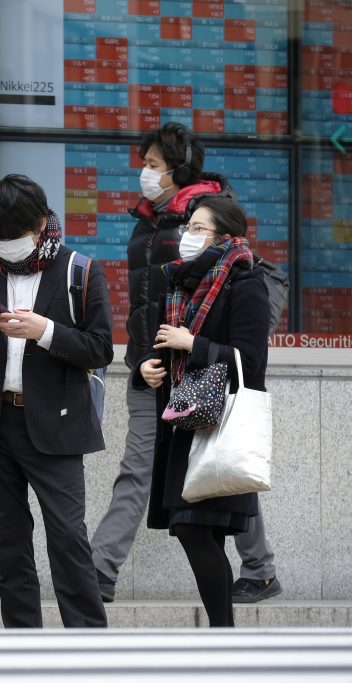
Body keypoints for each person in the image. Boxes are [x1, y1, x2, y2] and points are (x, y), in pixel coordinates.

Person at [89, 122, 282, 603]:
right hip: (151, 360)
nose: (145, 173)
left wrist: (187, 346)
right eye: (145, 164)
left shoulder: (210, 226)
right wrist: (143, 359)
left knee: (222, 466)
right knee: (139, 467)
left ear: (178, 168)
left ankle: (258, 569)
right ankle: (99, 571)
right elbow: (146, 299)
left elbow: (236, 331)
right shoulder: (150, 219)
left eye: (153, 165)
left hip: (202, 367)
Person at [0, 174, 113, 628]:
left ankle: (89, 648)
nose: (3, 245)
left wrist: (45, 332)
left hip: (56, 425)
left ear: (41, 225)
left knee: (67, 538)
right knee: (7, 542)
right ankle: (23, 649)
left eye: (12, 236)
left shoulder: (80, 270)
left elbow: (101, 348)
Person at [137, 195, 270, 627]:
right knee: (197, 530)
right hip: (182, 422)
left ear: (226, 236)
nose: (186, 236)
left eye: (198, 229)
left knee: (194, 529)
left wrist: (191, 344)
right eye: (187, 227)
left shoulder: (247, 283)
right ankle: (223, 635)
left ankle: (223, 634)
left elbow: (249, 363)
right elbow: (150, 347)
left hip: (221, 426)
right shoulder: (177, 284)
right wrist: (146, 369)